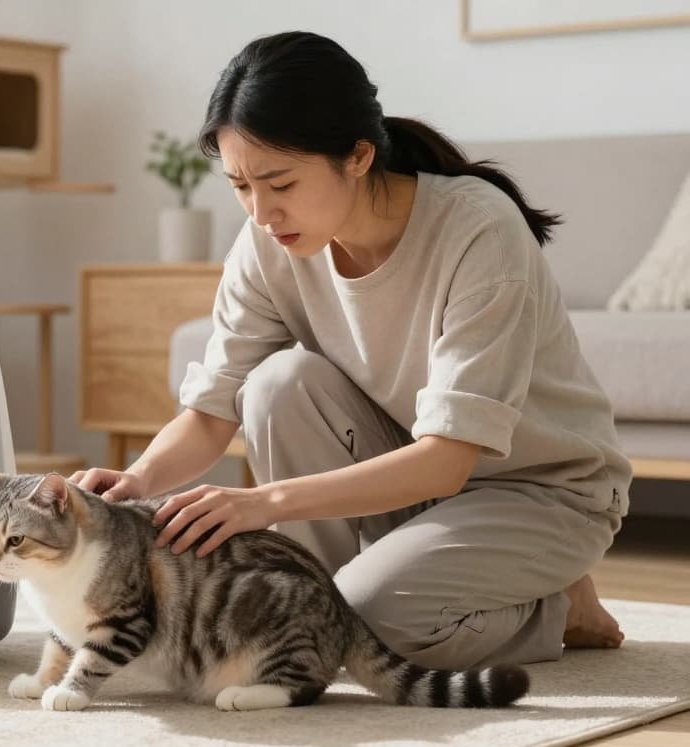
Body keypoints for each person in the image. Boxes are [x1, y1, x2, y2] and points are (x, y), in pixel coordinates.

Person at [71, 31, 628, 669]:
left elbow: (447, 461)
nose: (261, 213)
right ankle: (324, 605)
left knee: (373, 620)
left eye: (279, 183)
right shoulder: (267, 245)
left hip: (542, 492)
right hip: (411, 482)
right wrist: (137, 479)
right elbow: (211, 412)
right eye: (240, 186)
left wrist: (262, 503)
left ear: (358, 156)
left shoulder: (479, 231)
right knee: (280, 385)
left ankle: (557, 607)